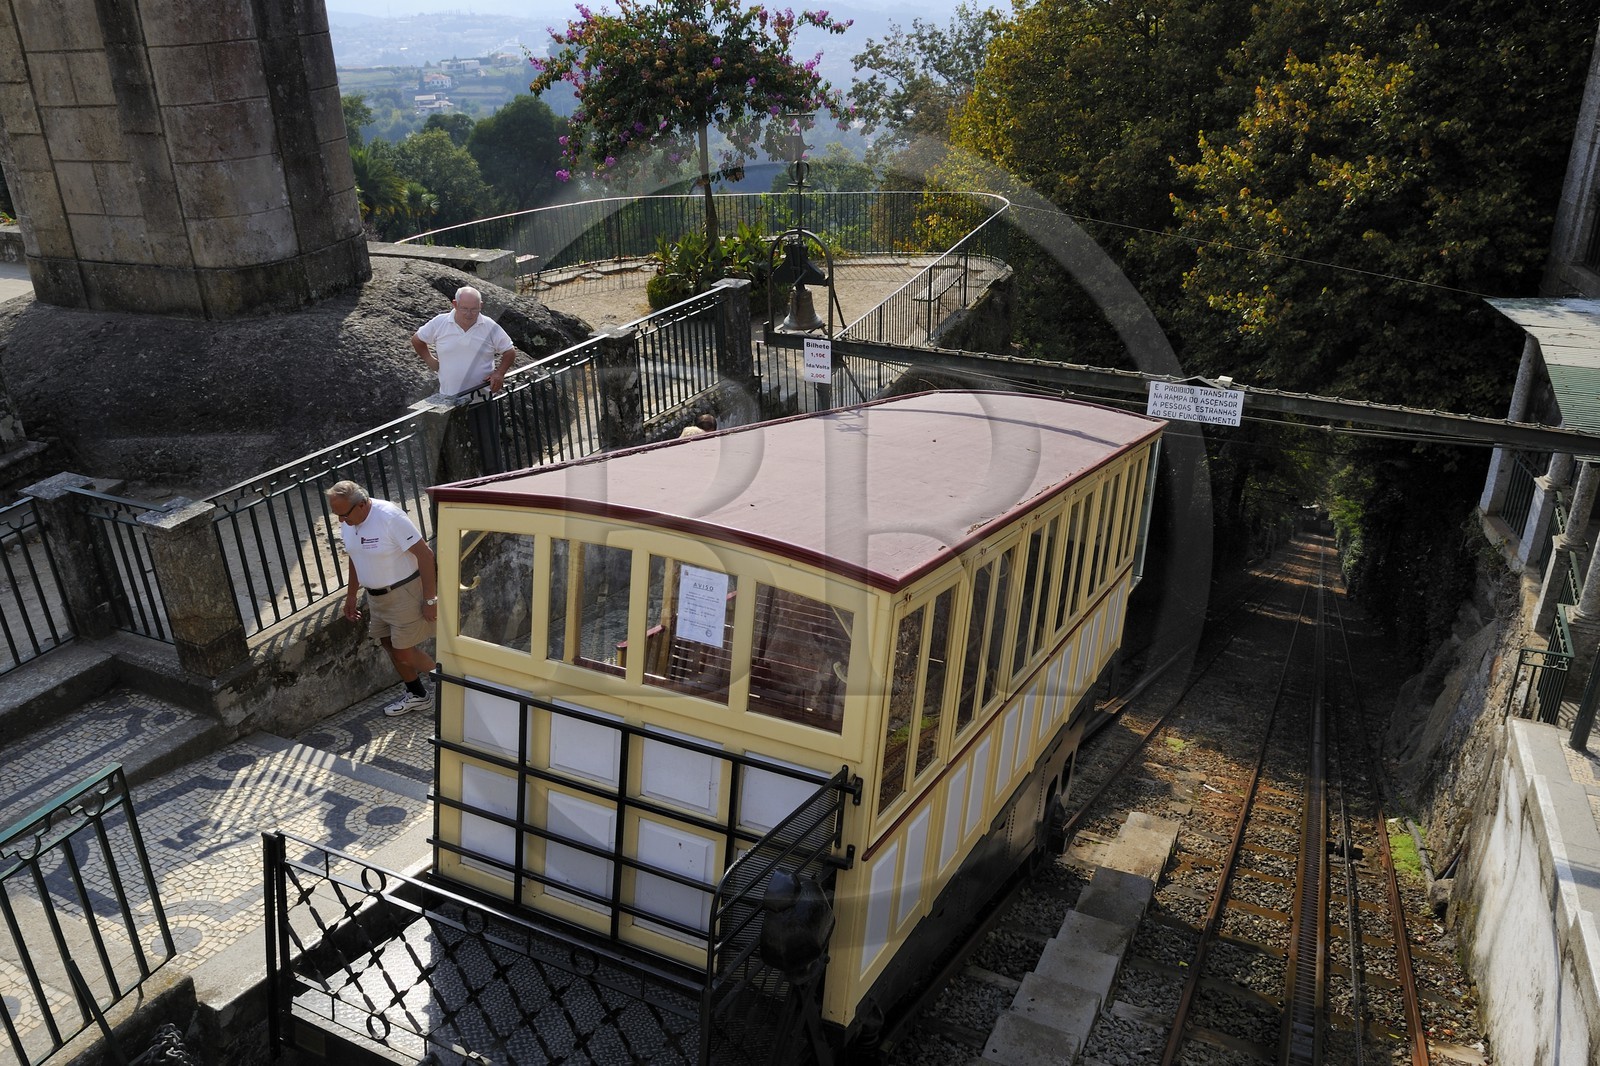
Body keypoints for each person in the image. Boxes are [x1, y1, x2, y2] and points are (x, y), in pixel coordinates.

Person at [328, 480, 439, 717]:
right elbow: (355, 555)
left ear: (361, 504)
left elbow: (425, 555)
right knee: (389, 645)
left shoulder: (389, 517)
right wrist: (351, 596)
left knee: (404, 652)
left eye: (343, 514)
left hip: (404, 593)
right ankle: (418, 695)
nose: (340, 520)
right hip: (376, 598)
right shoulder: (349, 521)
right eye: (336, 514)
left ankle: (450, 681)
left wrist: (430, 599)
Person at [412, 285, 517, 473]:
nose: (469, 314)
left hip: (480, 401)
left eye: (474, 309)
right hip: (450, 403)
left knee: (489, 453)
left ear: (481, 306)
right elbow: (418, 339)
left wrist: (499, 373)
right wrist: (430, 360)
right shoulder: (440, 323)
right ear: (454, 304)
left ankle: (494, 489)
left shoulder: (489, 326)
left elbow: (509, 351)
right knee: (453, 456)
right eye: (464, 309)